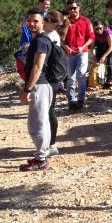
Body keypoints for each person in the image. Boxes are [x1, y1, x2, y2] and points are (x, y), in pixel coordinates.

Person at [19, 9, 54, 171]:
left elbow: (38, 66)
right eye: (29, 21)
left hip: (39, 85)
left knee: (36, 124)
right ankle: (42, 155)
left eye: (36, 21)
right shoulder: (38, 40)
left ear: (43, 22)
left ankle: (41, 160)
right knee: (43, 122)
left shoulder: (41, 41)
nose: (32, 24)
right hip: (42, 85)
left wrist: (27, 89)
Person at [62, 0, 95, 111]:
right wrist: (66, 47)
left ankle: (80, 100)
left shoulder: (86, 21)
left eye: (74, 8)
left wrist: (83, 46)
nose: (72, 10)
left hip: (82, 52)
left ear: (79, 8)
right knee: (70, 78)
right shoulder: (65, 22)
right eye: (70, 8)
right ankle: (71, 101)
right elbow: (60, 39)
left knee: (81, 74)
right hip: (69, 53)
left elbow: (91, 37)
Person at [42, 10, 67, 156]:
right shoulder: (50, 35)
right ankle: (50, 143)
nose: (44, 20)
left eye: (46, 18)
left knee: (49, 110)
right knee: (48, 110)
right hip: (52, 78)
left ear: (54, 23)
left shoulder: (50, 37)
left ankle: (51, 144)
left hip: (50, 78)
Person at [15, 0, 52, 80]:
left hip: (42, 40)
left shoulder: (48, 16)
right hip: (28, 41)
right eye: (46, 4)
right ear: (40, 3)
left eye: (49, 5)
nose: (48, 6)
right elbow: (23, 27)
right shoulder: (30, 15)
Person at [92, 19, 112, 89]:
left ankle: (109, 81)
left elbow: (111, 47)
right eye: (97, 29)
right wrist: (94, 56)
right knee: (98, 61)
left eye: (100, 28)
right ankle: (100, 80)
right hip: (101, 43)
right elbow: (92, 47)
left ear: (103, 27)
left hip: (111, 44)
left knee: (110, 61)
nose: (99, 30)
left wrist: (104, 56)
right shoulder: (93, 33)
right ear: (94, 29)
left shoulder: (107, 32)